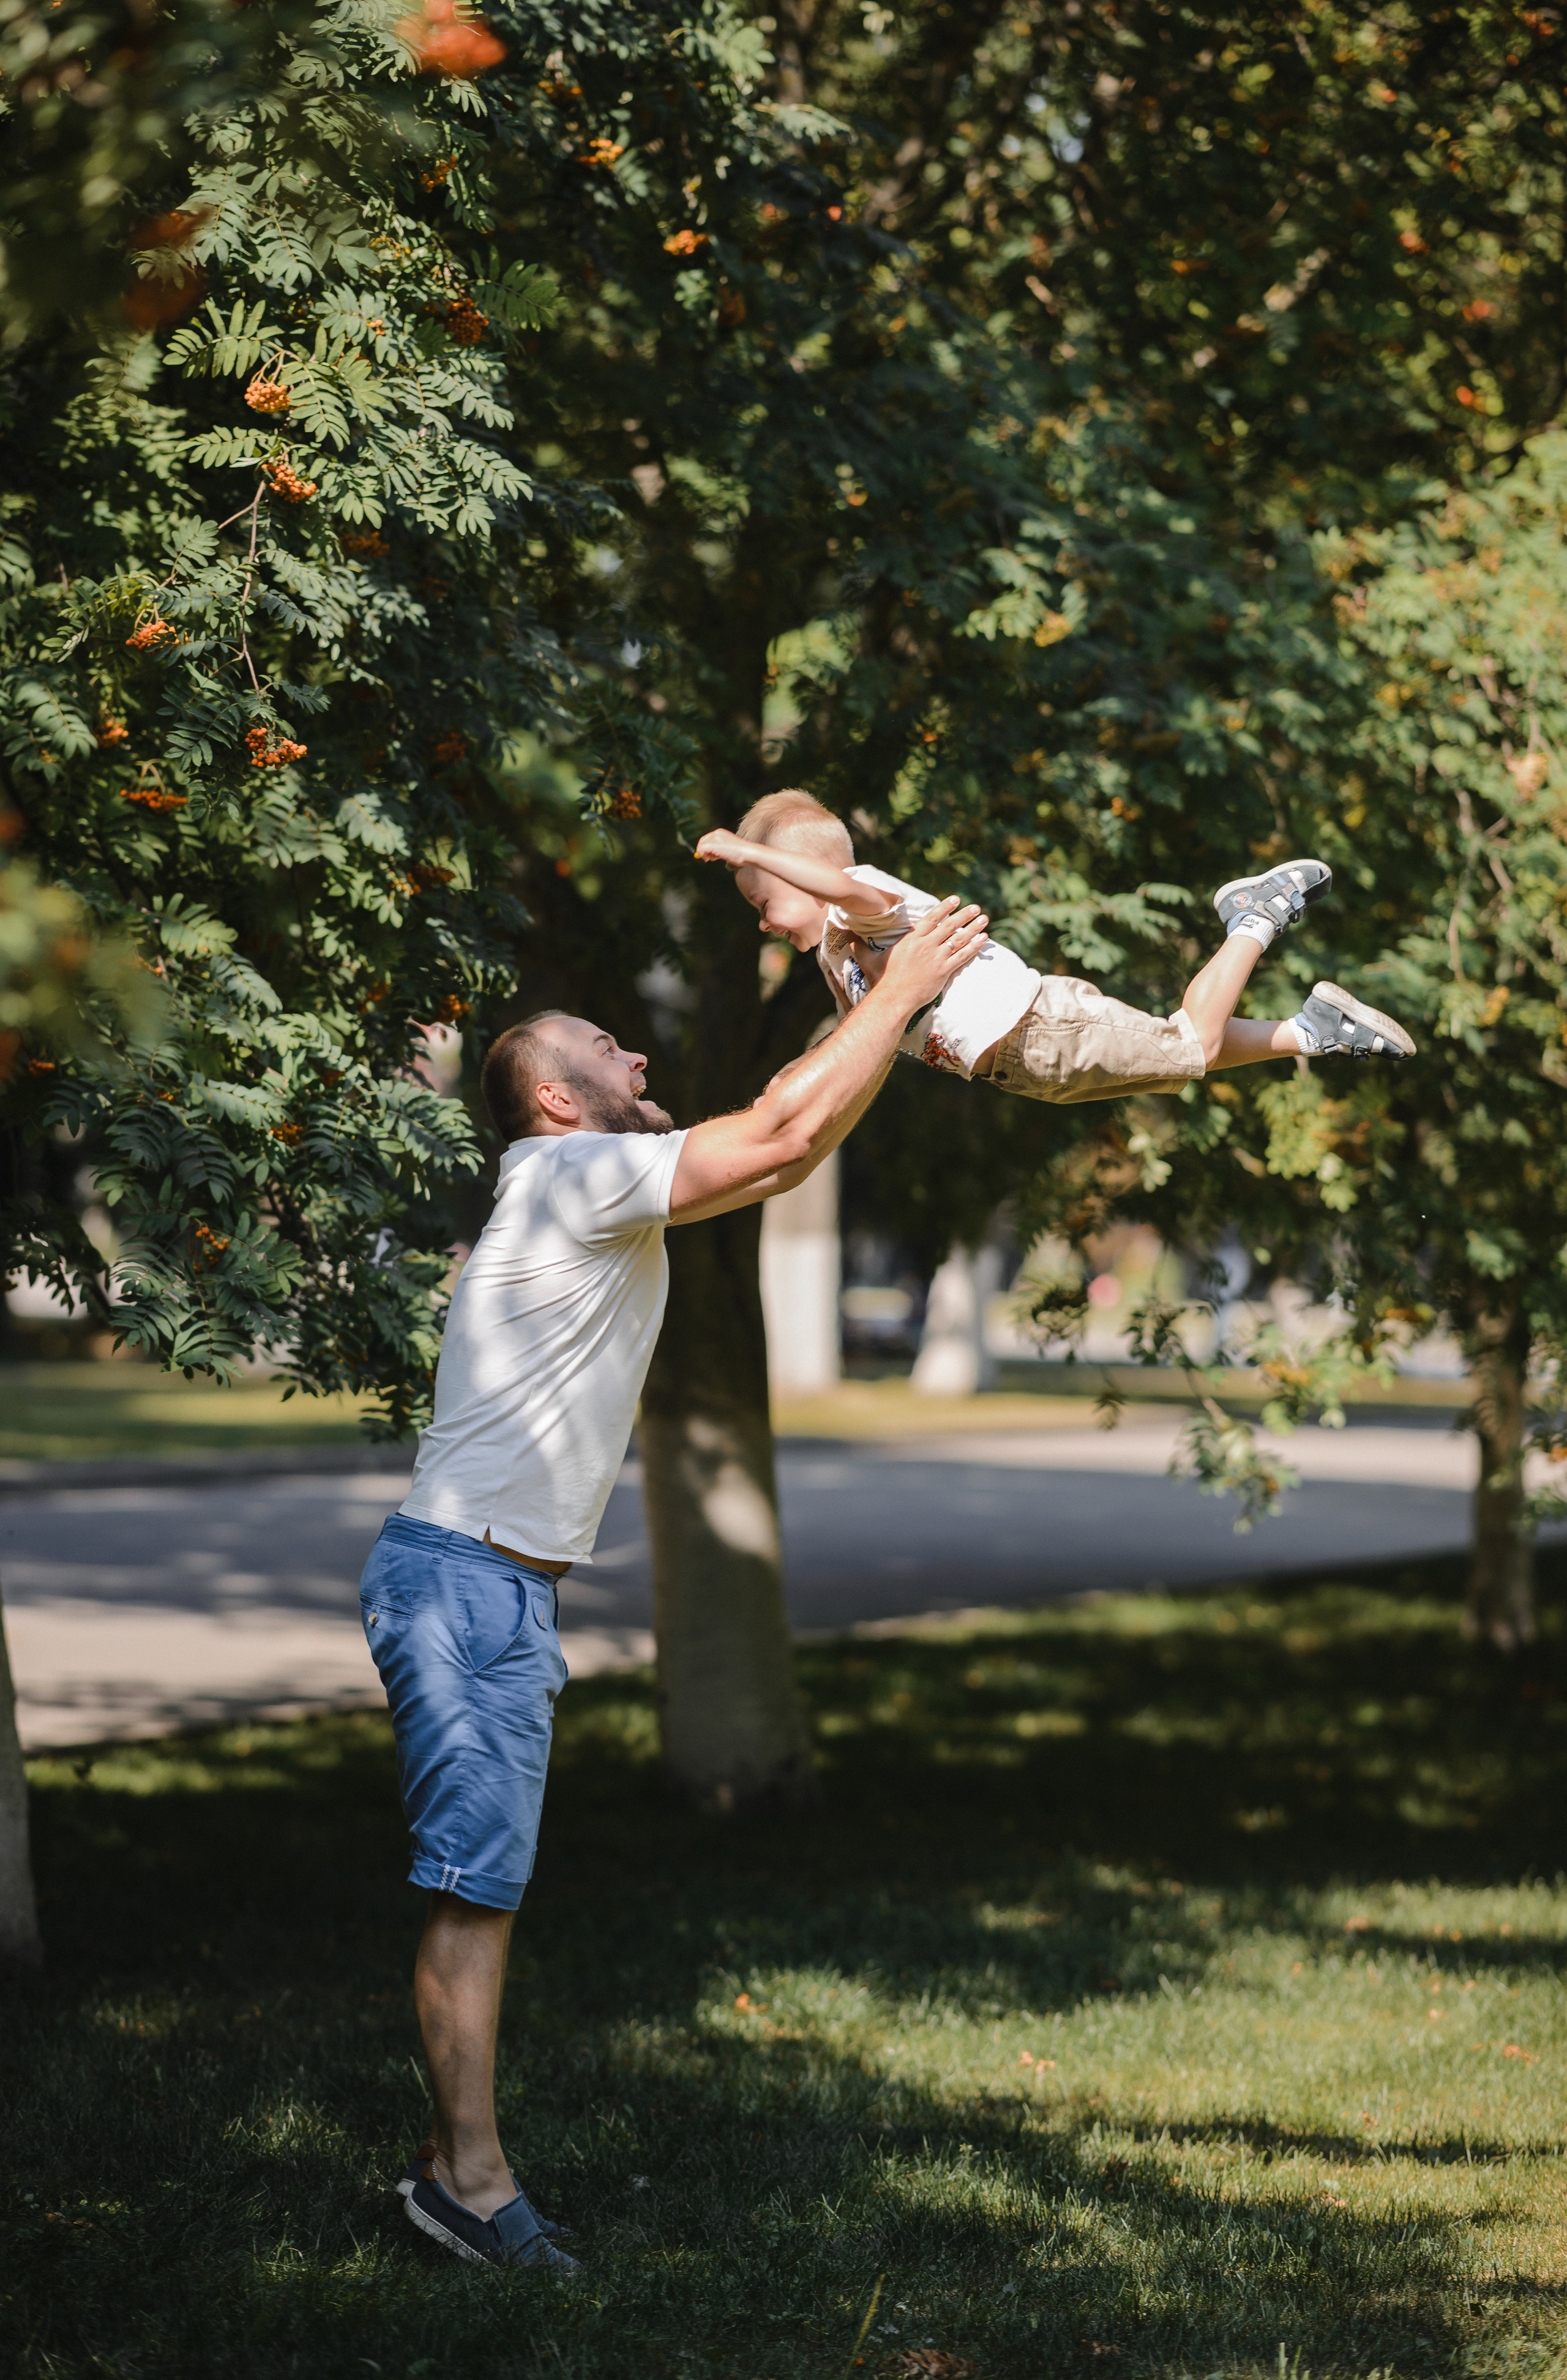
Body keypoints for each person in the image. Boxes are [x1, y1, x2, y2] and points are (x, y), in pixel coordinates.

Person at [356, 893, 989, 2277]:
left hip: (493, 1588)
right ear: (550, 1094)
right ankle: (466, 2184)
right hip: (463, 1583)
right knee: (474, 1888)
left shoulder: (585, 1194)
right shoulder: (562, 1178)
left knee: (486, 1884)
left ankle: (455, 2163)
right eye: (607, 1044)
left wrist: (875, 1014)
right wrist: (908, 981)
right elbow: (770, 1131)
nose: (638, 1057)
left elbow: (784, 1150)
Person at [695, 789, 1415, 1102]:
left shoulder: (868, 903)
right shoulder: (835, 957)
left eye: (762, 901)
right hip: (1022, 1066)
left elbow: (844, 888)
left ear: (812, 878)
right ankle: (1308, 1033)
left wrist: (739, 847)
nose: (761, 920)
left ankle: (1256, 916)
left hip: (1041, 1028)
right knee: (1173, 1051)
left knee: (1188, 1046)